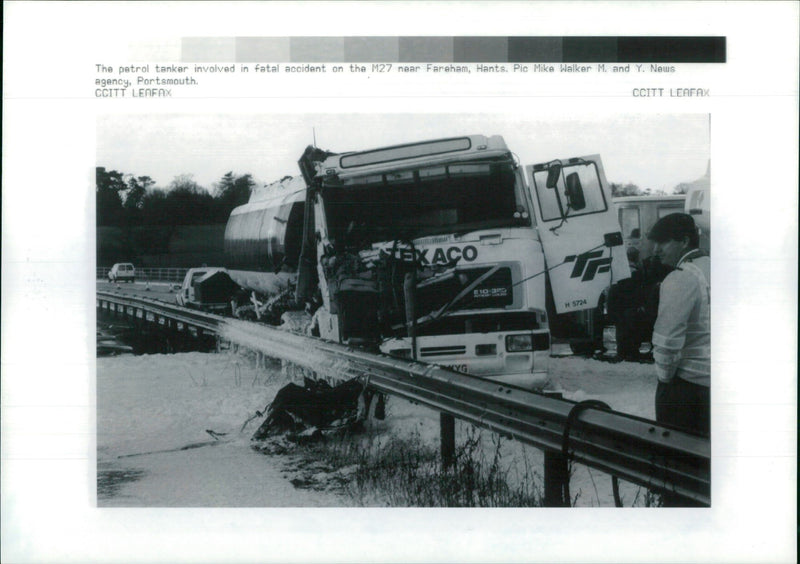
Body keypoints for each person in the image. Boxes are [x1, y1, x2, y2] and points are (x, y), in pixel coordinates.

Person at [648, 213, 710, 438]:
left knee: (677, 463)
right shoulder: (715, 269)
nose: (656, 250)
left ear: (684, 241)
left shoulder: (681, 278)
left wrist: (665, 379)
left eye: (663, 242)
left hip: (686, 391)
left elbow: (667, 342)